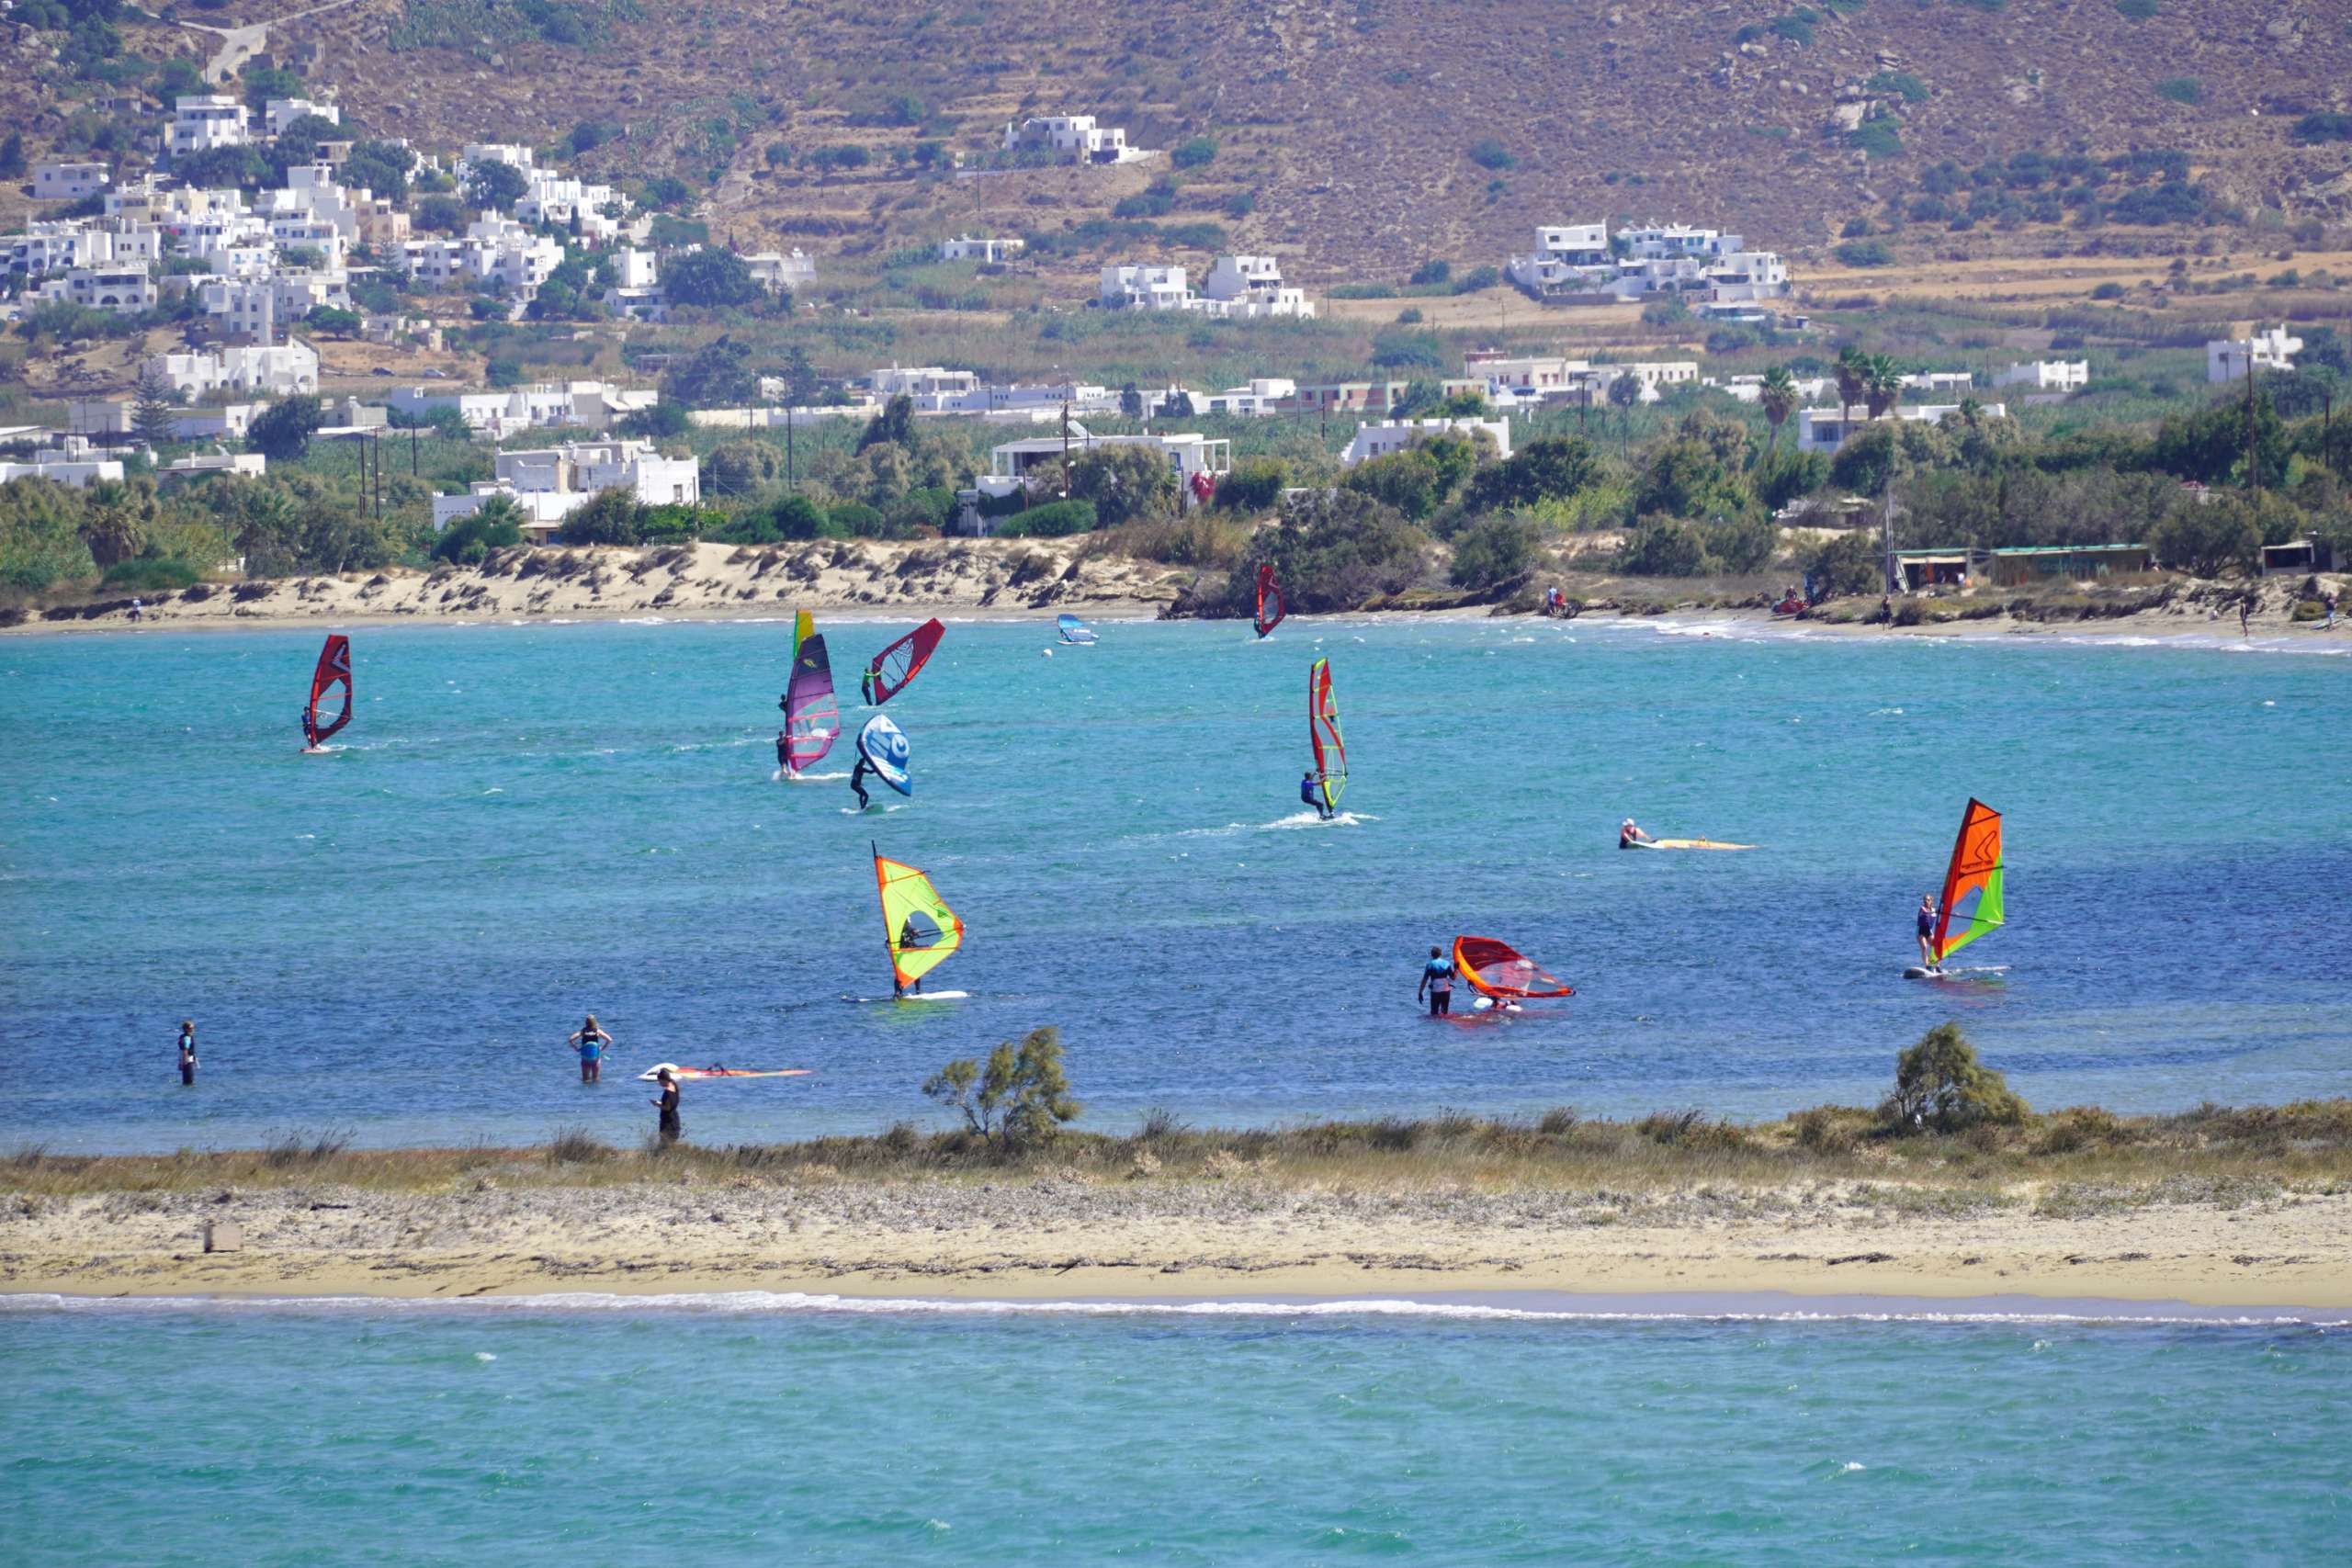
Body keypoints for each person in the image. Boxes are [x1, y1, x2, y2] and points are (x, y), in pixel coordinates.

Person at [569, 1014, 612, 1084]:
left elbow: (571, 1039)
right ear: (594, 1022)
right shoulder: (598, 1031)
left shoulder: (583, 1031)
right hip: (595, 1057)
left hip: (585, 1058)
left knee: (585, 1080)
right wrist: (602, 1048)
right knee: (596, 1079)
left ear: (586, 1022)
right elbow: (609, 1040)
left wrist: (576, 1048)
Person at [1418, 945, 1455, 1017]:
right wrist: (1456, 969)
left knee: (1434, 1014)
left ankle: (1435, 1027)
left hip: (1435, 991)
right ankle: (1445, 1027)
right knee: (1445, 1013)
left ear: (1431, 955)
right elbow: (1453, 977)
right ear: (1441, 954)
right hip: (1446, 990)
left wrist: (1420, 992)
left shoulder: (1430, 965)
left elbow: (1424, 980)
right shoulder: (1446, 963)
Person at [650, 1068, 682, 1145]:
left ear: (664, 1079)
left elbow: (667, 1108)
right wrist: (660, 1103)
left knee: (664, 1146)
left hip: (668, 1123)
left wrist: (656, 1104)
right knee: (670, 1145)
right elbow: (671, 1104)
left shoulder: (668, 1091)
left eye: (659, 1081)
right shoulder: (674, 1085)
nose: (659, 1083)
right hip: (674, 1120)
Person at [1916, 893, 1940, 973]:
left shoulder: (1934, 910)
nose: (1926, 901)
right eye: (1925, 900)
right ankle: (1927, 966)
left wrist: (1954, 913)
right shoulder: (1922, 908)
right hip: (1920, 931)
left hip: (1928, 931)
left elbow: (1944, 912)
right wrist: (1936, 911)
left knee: (1935, 946)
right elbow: (1925, 912)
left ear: (1931, 901)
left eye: (1928, 900)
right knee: (1924, 947)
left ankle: (1936, 965)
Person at [176, 1020, 198, 1087]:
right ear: (186, 1029)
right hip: (187, 1061)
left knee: (187, 1082)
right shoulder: (187, 1038)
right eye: (191, 1028)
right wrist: (184, 1062)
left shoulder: (185, 1037)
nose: (193, 1030)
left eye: (193, 1028)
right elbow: (185, 1050)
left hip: (186, 1060)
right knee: (189, 1082)